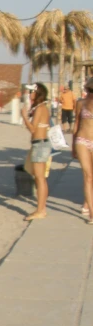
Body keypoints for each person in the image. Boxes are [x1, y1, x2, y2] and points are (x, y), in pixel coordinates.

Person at [20, 83, 51, 221]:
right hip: (41, 144)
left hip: (40, 145)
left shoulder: (40, 108)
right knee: (40, 178)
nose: (30, 94)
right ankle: (41, 208)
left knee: (39, 178)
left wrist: (24, 117)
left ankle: (40, 210)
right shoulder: (42, 108)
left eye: (32, 91)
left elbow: (33, 129)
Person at [73, 78, 93, 224]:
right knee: (88, 176)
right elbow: (76, 124)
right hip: (82, 140)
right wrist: (73, 145)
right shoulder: (81, 103)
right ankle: (92, 213)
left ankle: (87, 203)